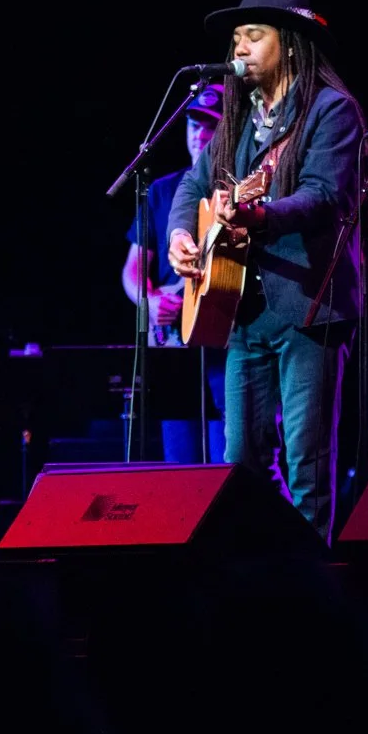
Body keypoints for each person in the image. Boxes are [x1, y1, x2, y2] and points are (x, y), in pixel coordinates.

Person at [168, 0, 367, 542]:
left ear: (291, 43)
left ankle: (314, 576)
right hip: (242, 309)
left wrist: (258, 216)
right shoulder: (237, 117)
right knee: (241, 462)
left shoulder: (332, 110)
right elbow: (192, 185)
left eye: (253, 35)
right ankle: (261, 568)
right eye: (236, 38)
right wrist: (181, 233)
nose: (239, 48)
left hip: (309, 306)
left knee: (307, 460)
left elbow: (323, 196)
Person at [121, 83, 227, 462]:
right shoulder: (163, 190)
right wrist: (149, 300)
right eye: (194, 125)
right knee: (180, 459)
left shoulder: (239, 190)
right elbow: (133, 270)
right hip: (173, 343)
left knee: (227, 457)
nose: (199, 134)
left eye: (211, 126)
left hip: (225, 341)